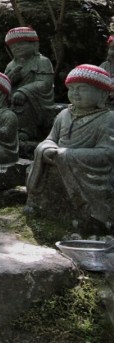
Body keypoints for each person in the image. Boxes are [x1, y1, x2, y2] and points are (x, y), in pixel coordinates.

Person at [26, 64, 114, 234]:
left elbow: (108, 152)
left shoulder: (108, 119)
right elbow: (50, 139)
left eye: (82, 89)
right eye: (72, 88)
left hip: (88, 171)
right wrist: (46, 149)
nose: (75, 93)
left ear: (102, 94)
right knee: (37, 165)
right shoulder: (63, 115)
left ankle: (92, 221)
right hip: (58, 160)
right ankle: (39, 209)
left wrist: (68, 155)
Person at [3, 27, 54, 141]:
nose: (17, 48)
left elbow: (45, 83)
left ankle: (25, 130)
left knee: (22, 104)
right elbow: (4, 84)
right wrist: (10, 80)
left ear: (34, 45)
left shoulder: (42, 61)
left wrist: (23, 91)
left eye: (21, 43)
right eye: (13, 46)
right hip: (13, 95)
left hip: (34, 98)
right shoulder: (11, 65)